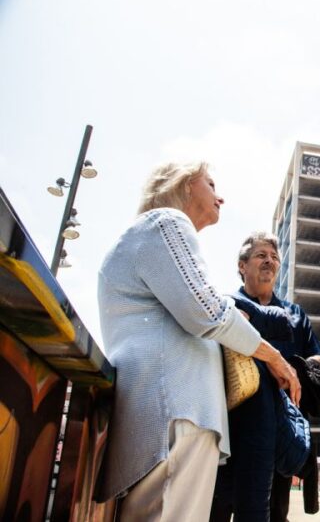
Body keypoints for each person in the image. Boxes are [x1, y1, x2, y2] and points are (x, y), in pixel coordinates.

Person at [96, 162, 300, 521]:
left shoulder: (142, 236)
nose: (219, 195)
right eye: (210, 183)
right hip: (177, 411)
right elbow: (208, 311)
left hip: (166, 413)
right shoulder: (167, 223)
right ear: (186, 185)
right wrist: (274, 357)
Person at [210, 231, 320, 521]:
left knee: (275, 512)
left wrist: (295, 368)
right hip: (230, 429)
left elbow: (317, 355)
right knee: (219, 508)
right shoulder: (227, 307)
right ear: (242, 266)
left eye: (274, 257)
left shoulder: (295, 313)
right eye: (261, 255)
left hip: (280, 429)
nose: (269, 261)